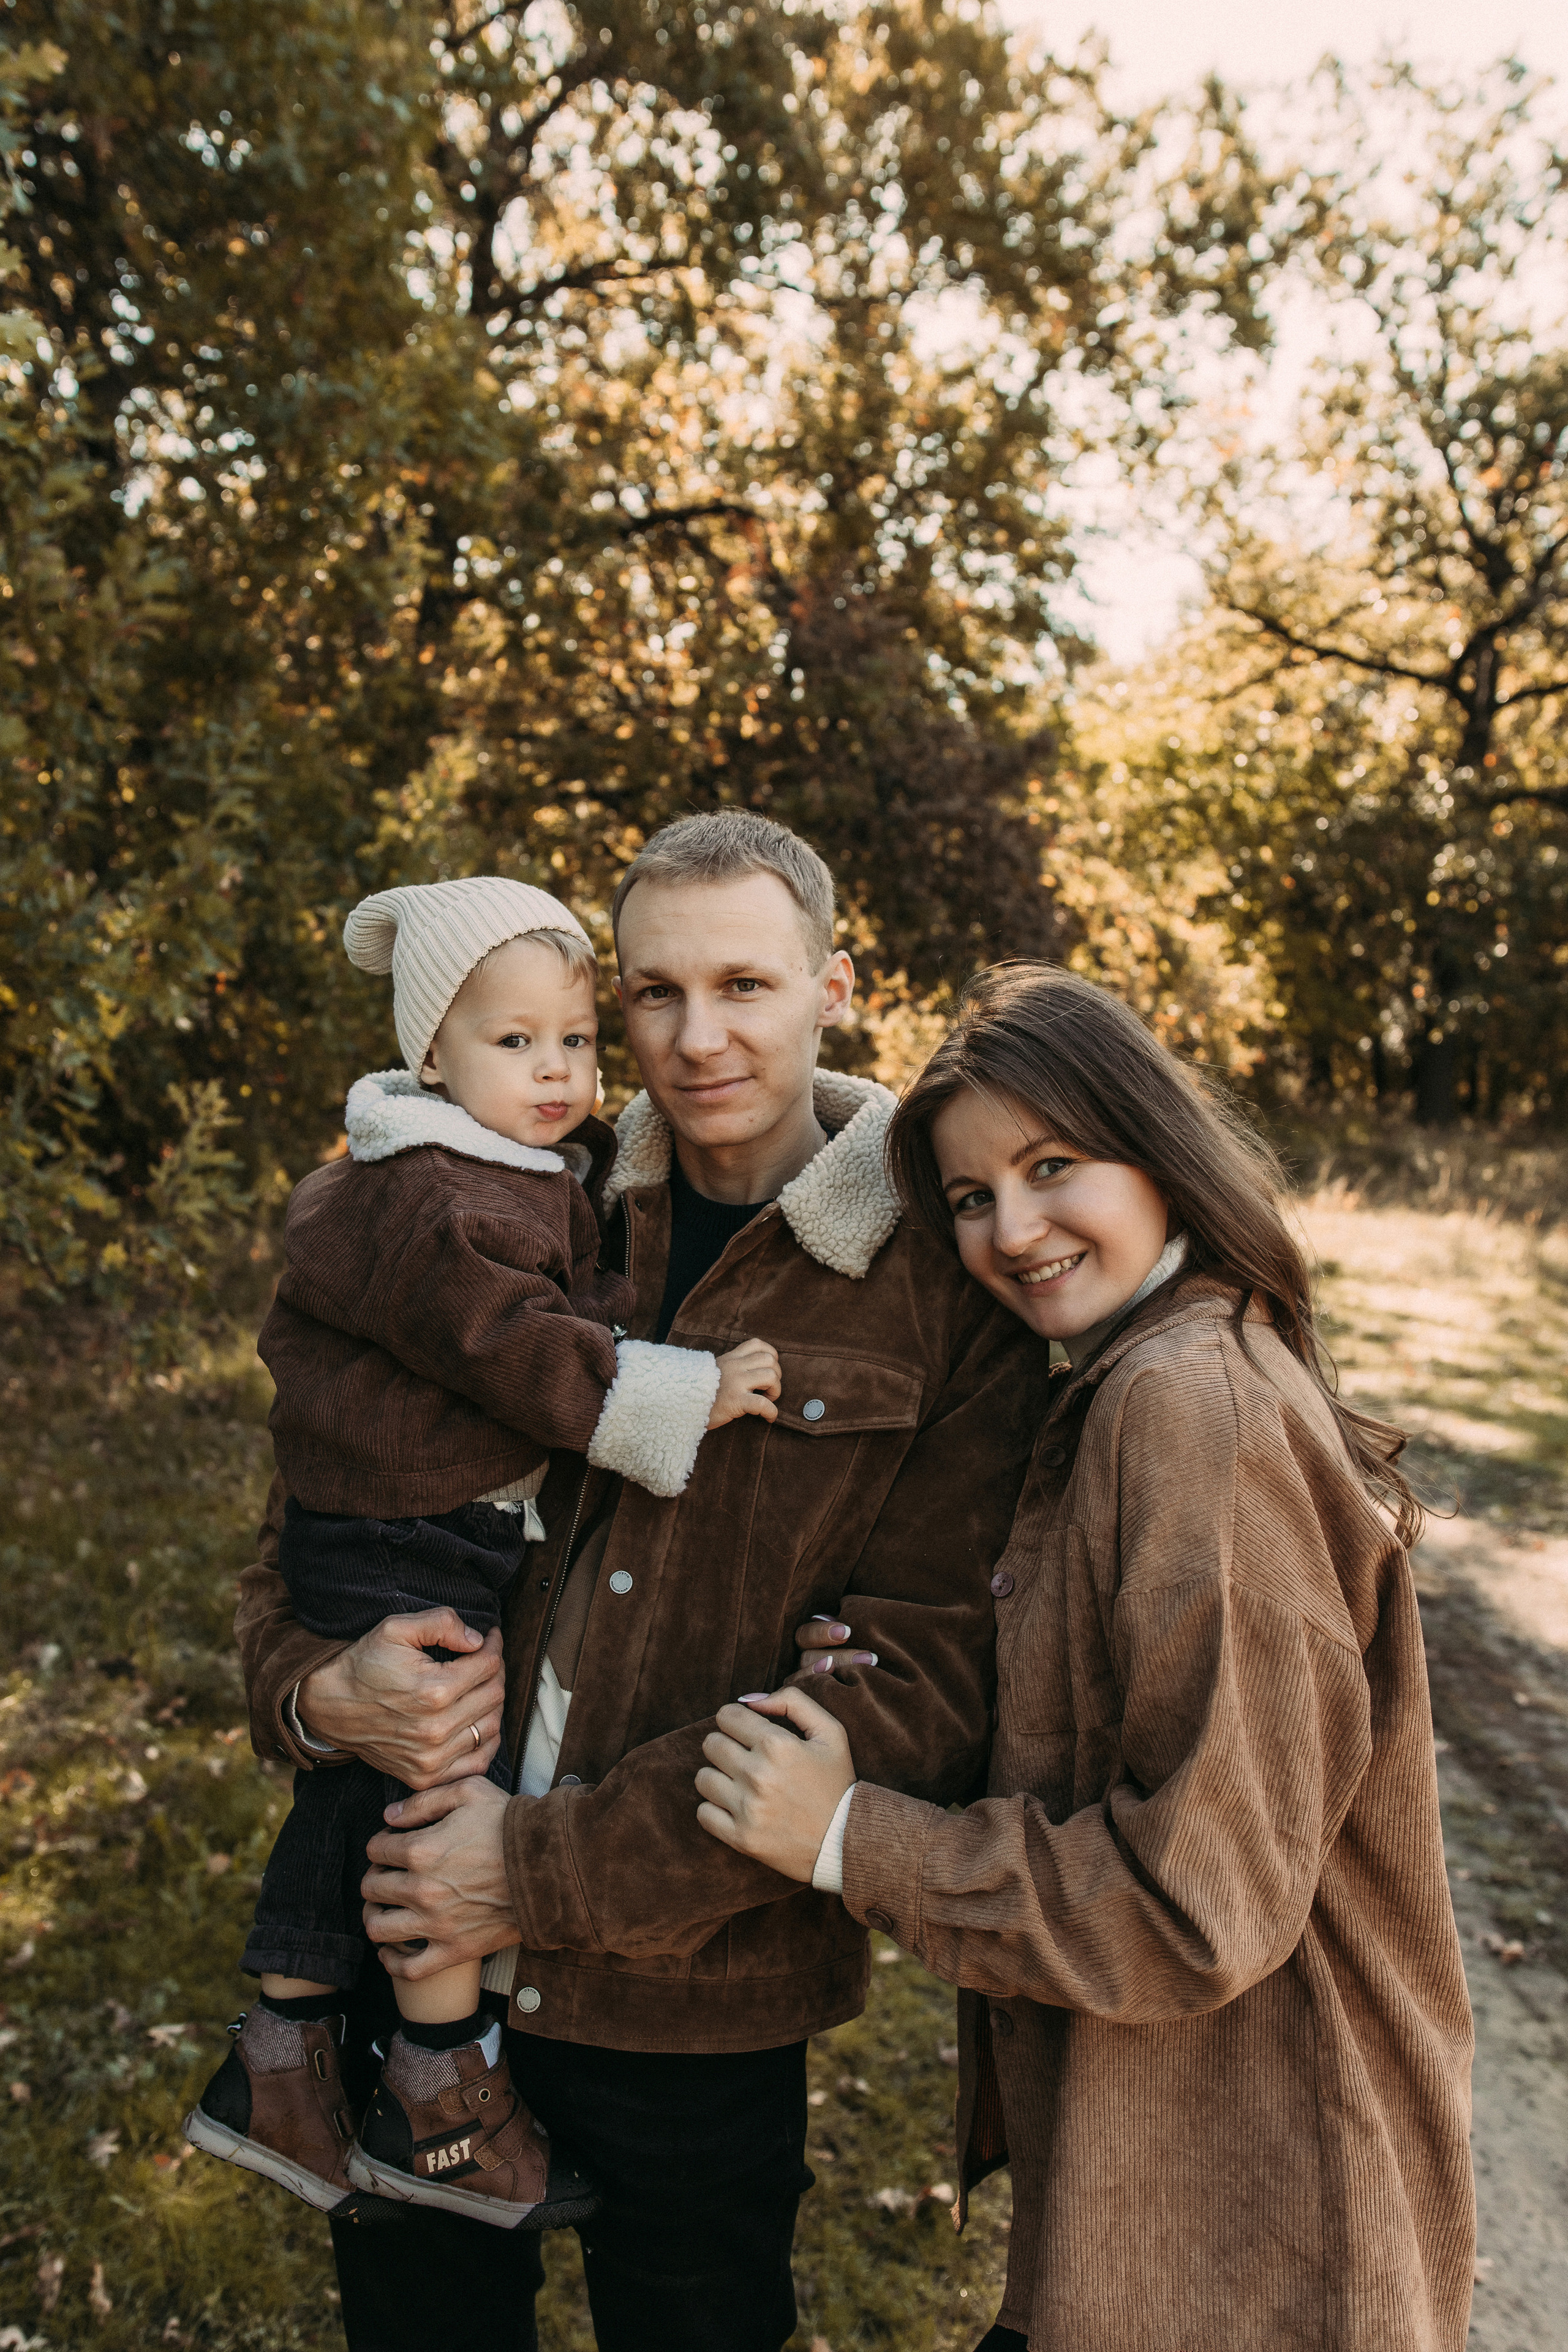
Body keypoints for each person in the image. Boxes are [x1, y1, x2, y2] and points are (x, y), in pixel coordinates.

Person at [232, 816, 1052, 2351]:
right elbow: (314, 1523)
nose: (696, 1037)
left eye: (745, 984)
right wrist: (316, 1692)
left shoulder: (940, 1288)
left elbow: (916, 1686)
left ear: (833, 985)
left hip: (695, 1994)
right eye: (655, 994)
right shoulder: (505, 1199)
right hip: (408, 1933)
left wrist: (535, 1870)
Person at [695, 961, 1477, 2352]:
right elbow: (1112, 1713)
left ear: (1155, 1149)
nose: (1014, 1227)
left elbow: (1197, 1904)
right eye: (972, 1197)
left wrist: (851, 1839)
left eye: (1052, 1165)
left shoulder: (1189, 1412)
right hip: (1170, 2197)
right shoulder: (1136, 1377)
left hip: (1262, 2232)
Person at [187, 876, 780, 2230]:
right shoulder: (432, 1195)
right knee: (430, 1781)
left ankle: (293, 2057)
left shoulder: (504, 1168)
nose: (558, 1069)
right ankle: (427, 2082)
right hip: (404, 1532)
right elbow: (519, 1349)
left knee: (391, 1783)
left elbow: (564, 1296)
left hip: (423, 1522)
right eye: (515, 1044)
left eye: (572, 1037)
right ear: (430, 1057)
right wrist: (676, 1386)